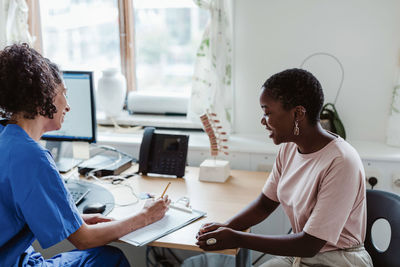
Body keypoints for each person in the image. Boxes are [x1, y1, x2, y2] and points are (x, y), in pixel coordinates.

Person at [0, 43, 171, 267]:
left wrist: (74, 220)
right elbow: (84, 240)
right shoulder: (33, 158)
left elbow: (14, 213)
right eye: (64, 94)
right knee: (108, 258)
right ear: (44, 96)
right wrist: (145, 217)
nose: (68, 106)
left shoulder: (6, 137)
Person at [196, 68, 373, 266]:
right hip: (302, 256)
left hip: (338, 259)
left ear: (298, 113)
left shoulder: (341, 161)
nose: (263, 121)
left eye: (267, 112)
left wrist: (237, 238)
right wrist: (226, 227)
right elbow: (264, 205)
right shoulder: (289, 148)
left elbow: (309, 243)